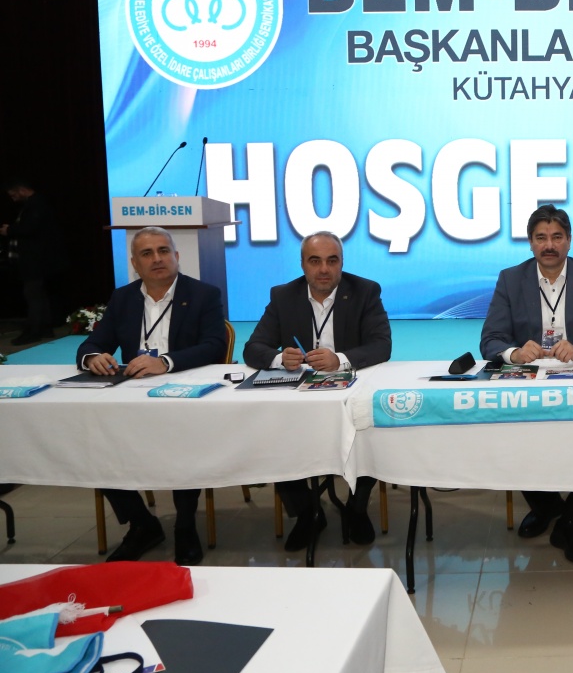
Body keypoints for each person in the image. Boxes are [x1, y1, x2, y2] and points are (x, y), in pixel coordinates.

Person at [480, 204, 573, 563]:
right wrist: (515, 353)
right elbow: (490, 340)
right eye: (541, 237)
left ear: (569, 240)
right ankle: (547, 507)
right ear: (530, 242)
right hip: (528, 381)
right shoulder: (510, 279)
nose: (549, 245)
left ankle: (570, 523)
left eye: (557, 237)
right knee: (512, 432)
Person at [77, 226, 227, 565]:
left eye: (163, 251)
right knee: (97, 440)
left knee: (182, 440)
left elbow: (214, 346)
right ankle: (142, 524)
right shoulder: (123, 298)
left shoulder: (203, 294)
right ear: (134, 263)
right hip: (131, 399)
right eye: (147, 253)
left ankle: (185, 525)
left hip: (184, 397)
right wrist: (92, 357)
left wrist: (166, 363)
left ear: (177, 256)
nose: (157, 259)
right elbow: (93, 343)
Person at [244, 231, 392, 551]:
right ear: (303, 264)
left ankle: (356, 509)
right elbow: (253, 348)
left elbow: (382, 345)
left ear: (342, 263)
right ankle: (308, 513)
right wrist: (279, 358)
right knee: (272, 432)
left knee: (369, 426)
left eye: (331, 260)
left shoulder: (365, 291)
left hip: (349, 394)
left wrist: (340, 359)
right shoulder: (283, 295)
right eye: (315, 261)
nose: (324, 269)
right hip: (298, 401)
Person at [1, 177, 62, 345]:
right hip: (37, 261)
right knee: (40, 295)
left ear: (21, 190)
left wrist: (9, 230)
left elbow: (30, 228)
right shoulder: (34, 204)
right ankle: (45, 328)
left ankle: (34, 331)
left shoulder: (37, 205)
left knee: (33, 295)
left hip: (35, 261)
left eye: (13, 195)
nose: (13, 199)